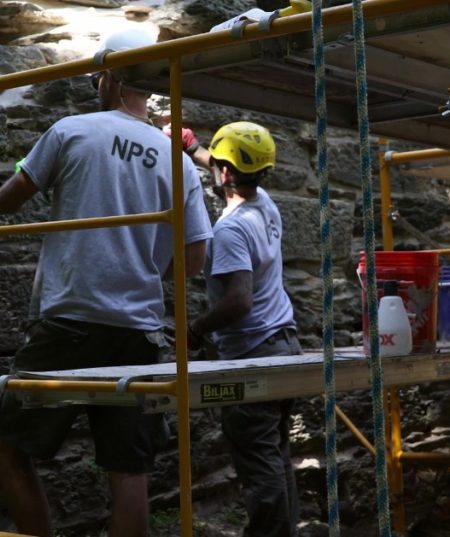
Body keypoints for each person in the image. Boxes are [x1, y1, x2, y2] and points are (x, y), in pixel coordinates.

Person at [0, 28, 213, 537]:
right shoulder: (177, 161)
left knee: (7, 446)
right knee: (128, 472)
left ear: (107, 77)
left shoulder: (71, 131)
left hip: (69, 320)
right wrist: (142, 261)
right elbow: (194, 260)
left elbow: (5, 201)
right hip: (137, 331)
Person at [187, 122, 302, 537]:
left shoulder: (230, 229)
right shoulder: (265, 203)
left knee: (259, 460)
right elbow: (230, 170)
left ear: (226, 174)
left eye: (218, 164)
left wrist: (196, 331)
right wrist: (195, 148)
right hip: (284, 344)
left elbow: (238, 300)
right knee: (275, 454)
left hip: (254, 353)